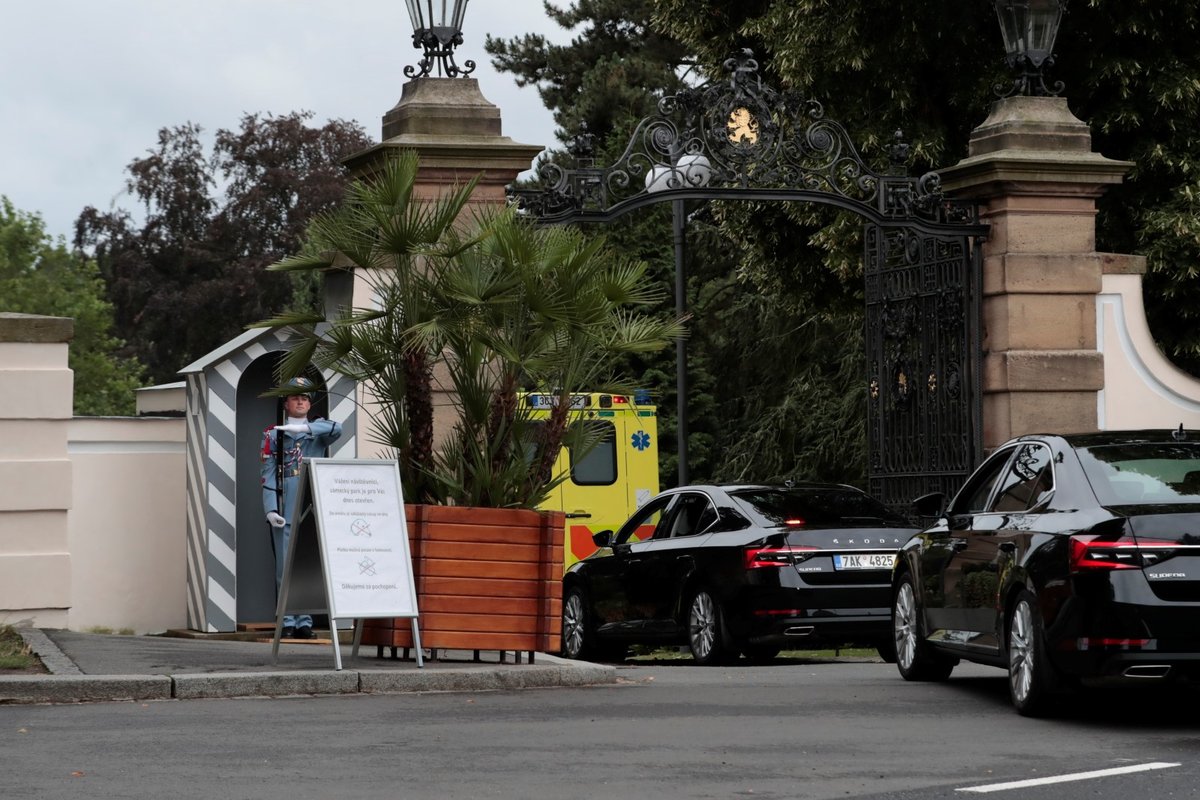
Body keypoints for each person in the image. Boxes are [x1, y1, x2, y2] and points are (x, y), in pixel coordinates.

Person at [260, 376, 342, 639]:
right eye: (295, 397)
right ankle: (286, 621)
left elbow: (337, 428)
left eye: (304, 398)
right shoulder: (273, 434)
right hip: (285, 506)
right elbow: (268, 472)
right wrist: (270, 508)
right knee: (285, 567)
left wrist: (304, 430)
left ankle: (304, 621)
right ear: (286, 403)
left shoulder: (317, 431)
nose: (300, 401)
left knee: (306, 565)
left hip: (311, 504)